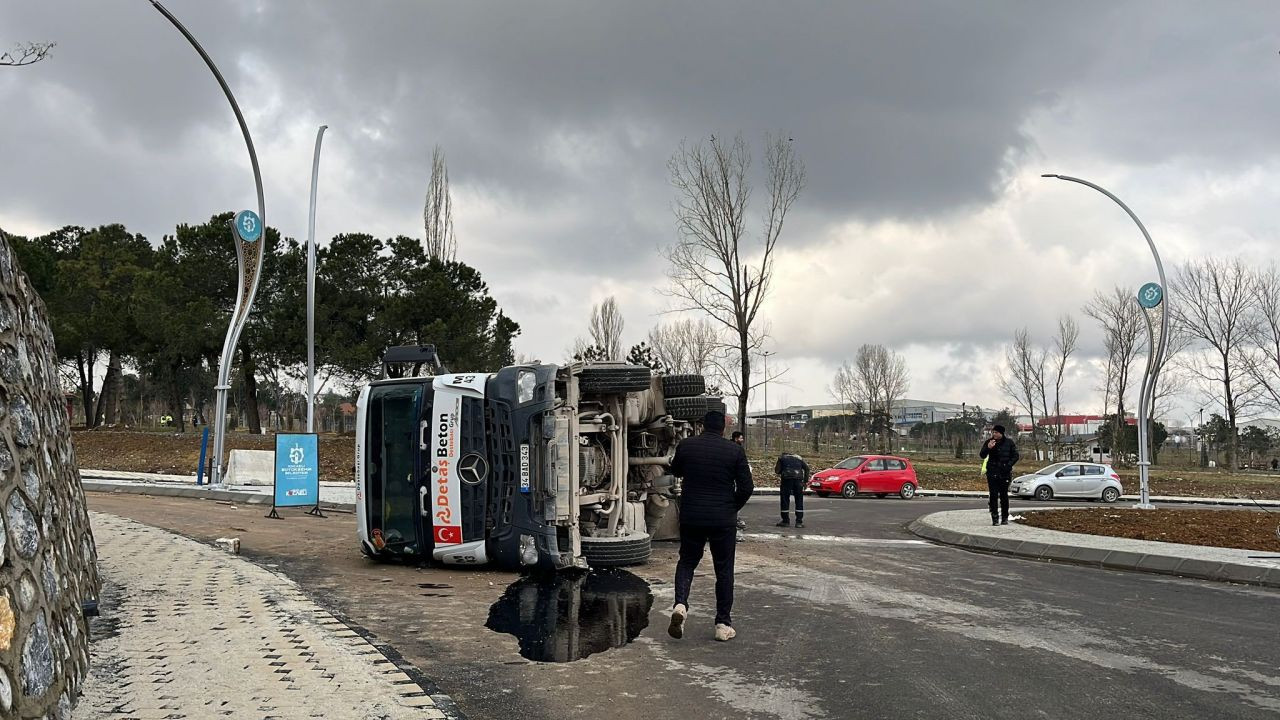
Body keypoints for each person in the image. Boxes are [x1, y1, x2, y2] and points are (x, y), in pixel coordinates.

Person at [668, 410, 753, 642]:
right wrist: (730, 507)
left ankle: (680, 605)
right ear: (723, 429)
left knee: (686, 562)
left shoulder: (687, 445)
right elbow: (747, 487)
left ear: (702, 426)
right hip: (722, 520)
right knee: (724, 570)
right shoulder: (735, 450)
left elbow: (675, 470)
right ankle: (723, 624)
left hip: (691, 516)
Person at [979, 424, 1020, 526]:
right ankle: (995, 518)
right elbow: (982, 455)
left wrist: (1008, 465)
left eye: (996, 432)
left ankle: (1004, 517)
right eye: (993, 432)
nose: (994, 434)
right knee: (993, 495)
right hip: (992, 472)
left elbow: (1015, 456)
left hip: (1004, 473)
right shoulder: (989, 442)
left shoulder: (1009, 443)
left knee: (1004, 496)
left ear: (1001, 433)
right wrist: (988, 448)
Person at [774, 452, 811, 528]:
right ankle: (799, 522)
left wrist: (783, 470)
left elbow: (777, 470)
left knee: (785, 499)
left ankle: (785, 521)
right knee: (799, 500)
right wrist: (805, 481)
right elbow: (807, 469)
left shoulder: (782, 458)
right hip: (798, 480)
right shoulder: (799, 458)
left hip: (786, 480)